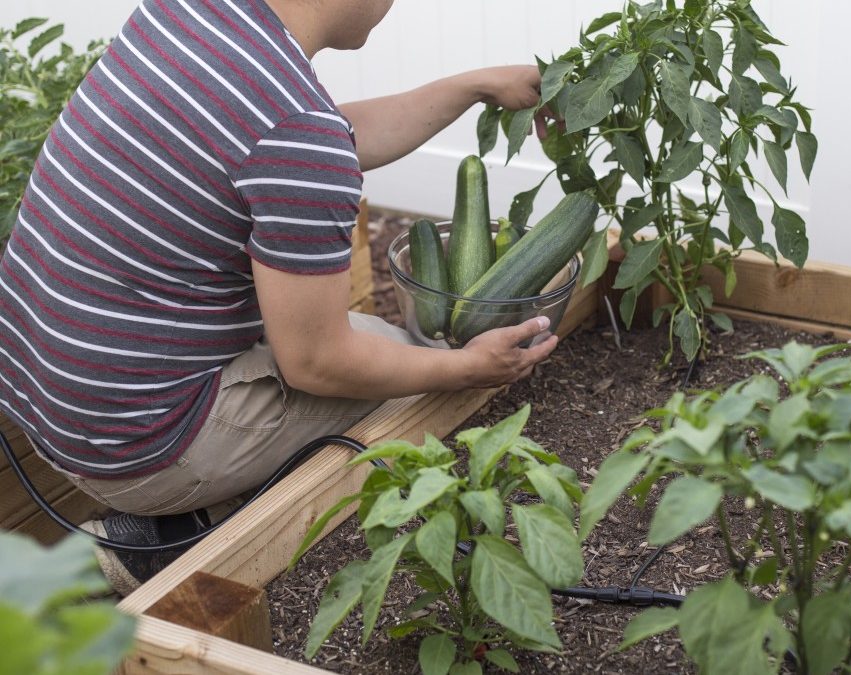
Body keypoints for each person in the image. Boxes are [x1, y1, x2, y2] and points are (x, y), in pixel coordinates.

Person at [0, 0, 557, 595]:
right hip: (134, 447)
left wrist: (474, 86)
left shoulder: (188, 16)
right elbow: (318, 361)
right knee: (409, 380)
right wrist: (468, 367)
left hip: (45, 396)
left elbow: (312, 142)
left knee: (381, 352)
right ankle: (168, 539)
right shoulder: (295, 131)